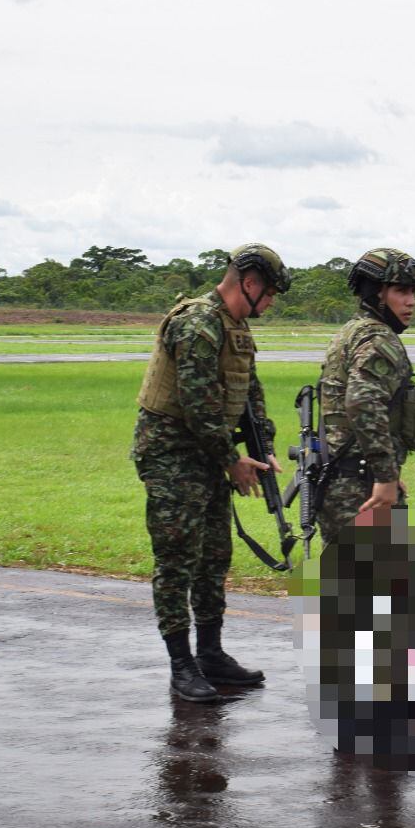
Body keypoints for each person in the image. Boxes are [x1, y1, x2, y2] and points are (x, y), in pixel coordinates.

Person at [132, 243, 290, 702]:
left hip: (206, 453)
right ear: (250, 283)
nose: (273, 302)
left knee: (214, 556)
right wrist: (231, 460)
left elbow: (249, 391)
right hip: (172, 454)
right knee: (177, 559)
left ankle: (211, 653)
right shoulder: (197, 323)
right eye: (272, 293)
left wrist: (263, 448)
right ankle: (182, 666)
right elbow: (200, 406)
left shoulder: (235, 327)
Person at [314, 248, 415, 544]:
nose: (412, 301)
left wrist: (388, 473)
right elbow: (362, 402)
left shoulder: (351, 332)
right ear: (377, 293)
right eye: (401, 291)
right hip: (361, 484)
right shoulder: (378, 338)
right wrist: (384, 477)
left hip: (341, 478)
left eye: (413, 292)